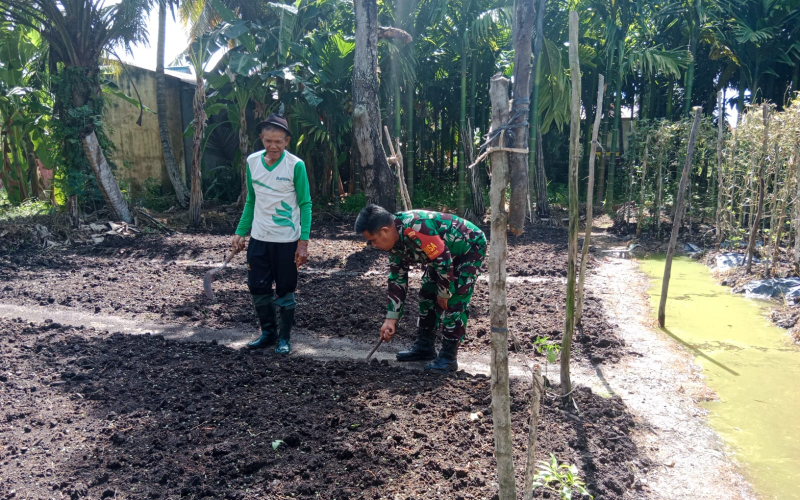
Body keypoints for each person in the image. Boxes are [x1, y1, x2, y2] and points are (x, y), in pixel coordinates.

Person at [355, 205, 486, 373]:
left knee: (454, 300)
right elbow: (397, 279)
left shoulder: (416, 226)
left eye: (373, 240)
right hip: (441, 256)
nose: (373, 245)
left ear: (385, 231)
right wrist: (391, 318)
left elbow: (443, 259)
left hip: (469, 247)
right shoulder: (395, 242)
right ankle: (425, 346)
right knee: (427, 294)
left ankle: (448, 357)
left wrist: (444, 292)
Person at [232, 113, 311, 355]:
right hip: (259, 239)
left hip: (287, 241)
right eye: (268, 141)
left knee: (285, 289)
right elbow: (251, 200)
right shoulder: (252, 162)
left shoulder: (295, 166)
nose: (273, 146)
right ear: (261, 138)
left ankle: (284, 338)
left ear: (287, 140)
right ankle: (268, 333)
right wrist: (241, 231)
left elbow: (305, 204)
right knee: (258, 287)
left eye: (278, 141)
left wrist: (303, 242)